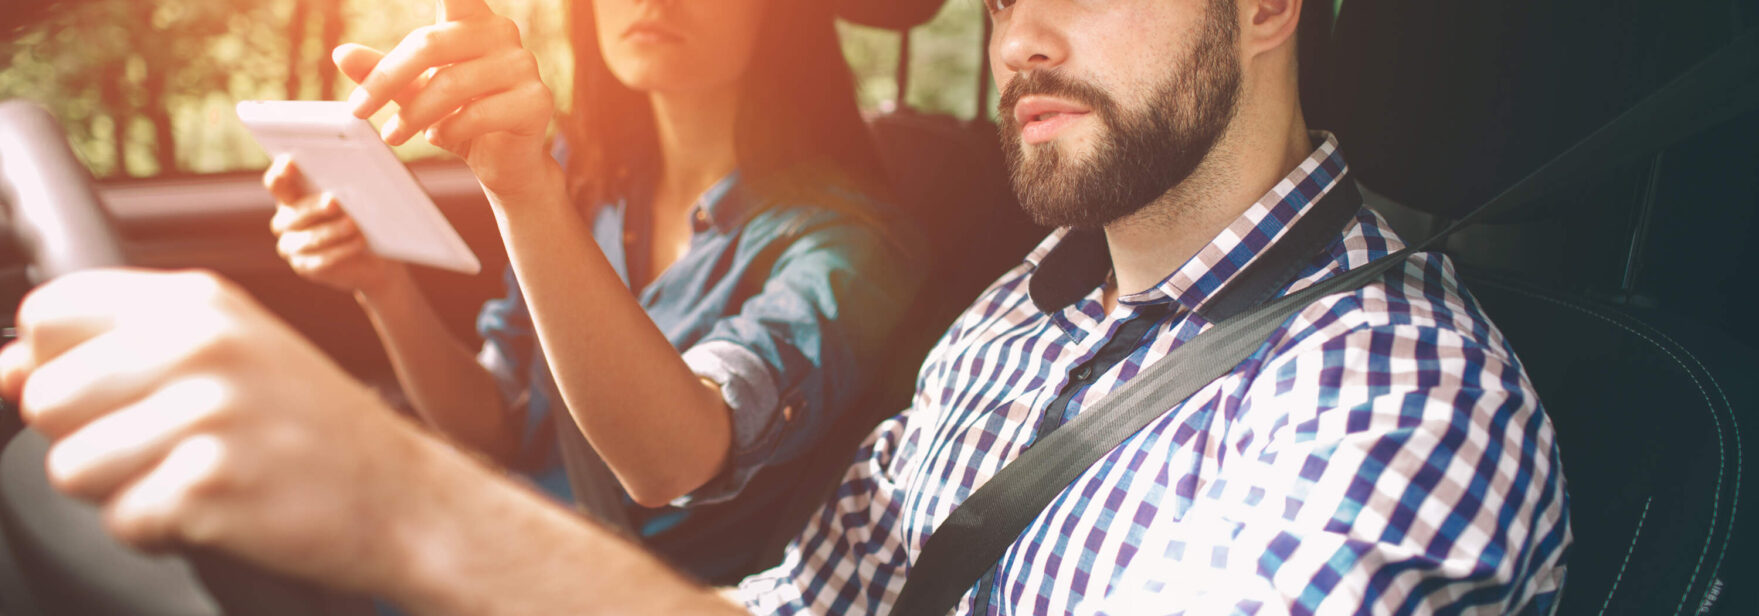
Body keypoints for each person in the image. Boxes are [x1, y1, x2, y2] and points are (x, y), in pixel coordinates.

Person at [0, 0, 1569, 613]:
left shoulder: (1390, 395)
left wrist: (415, 518)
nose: (1016, 34)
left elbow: (676, 467)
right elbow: (800, 602)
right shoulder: (1019, 321)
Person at [259, 0, 917, 582]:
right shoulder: (588, 178)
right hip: (478, 556)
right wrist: (381, 286)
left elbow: (674, 461)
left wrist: (523, 195)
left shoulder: (850, 248)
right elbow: (494, 427)